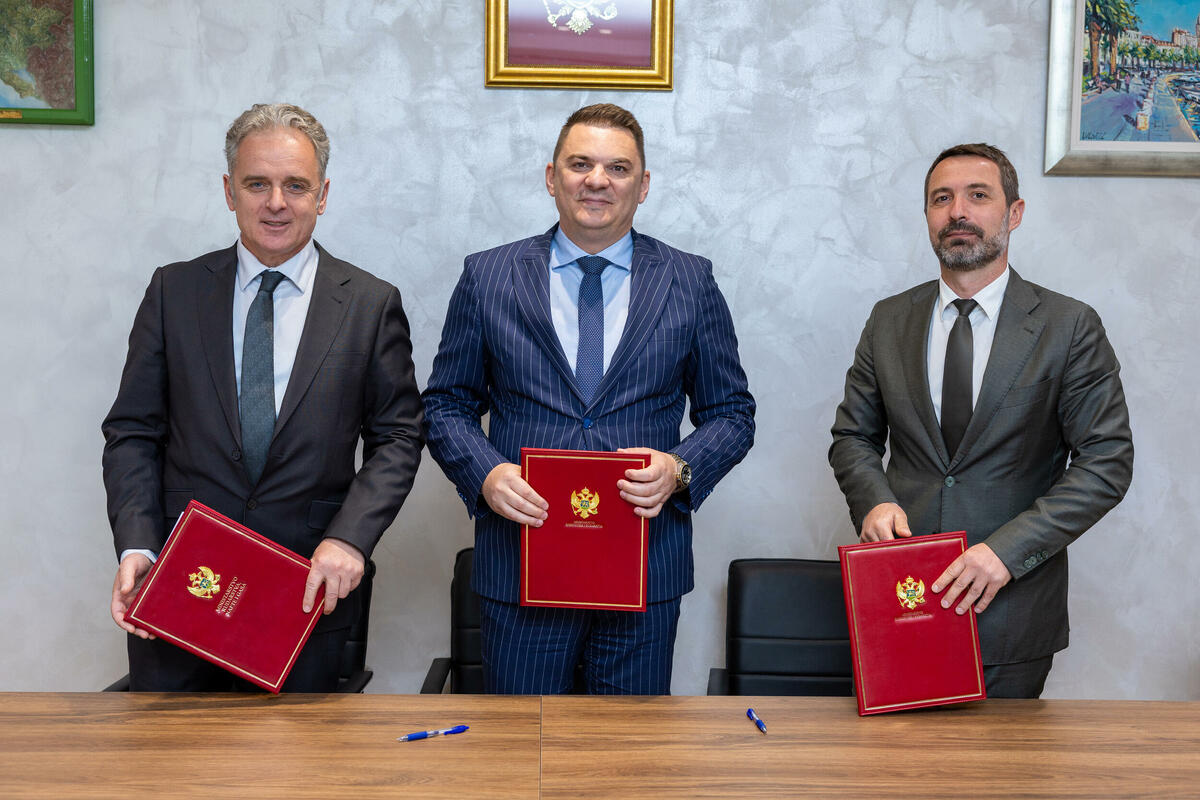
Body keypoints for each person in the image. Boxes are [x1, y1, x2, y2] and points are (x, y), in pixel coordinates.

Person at [422, 103, 755, 695]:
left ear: (642, 186)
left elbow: (731, 414)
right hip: (522, 564)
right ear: (552, 177)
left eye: (618, 168)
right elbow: (446, 403)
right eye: (580, 164)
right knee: (522, 744)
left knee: (627, 749)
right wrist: (485, 473)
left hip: (644, 568)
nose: (597, 180)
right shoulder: (488, 276)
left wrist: (679, 468)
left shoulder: (690, 280)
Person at [103, 103, 424, 691]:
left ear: (322, 195)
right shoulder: (174, 291)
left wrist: (349, 536)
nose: (276, 202)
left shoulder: (370, 304)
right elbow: (132, 432)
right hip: (181, 587)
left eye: (295, 185)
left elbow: (399, 436)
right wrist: (138, 544)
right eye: (257, 184)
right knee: (171, 753)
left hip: (305, 596)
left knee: (297, 754)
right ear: (230, 191)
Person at [828, 143, 1133, 698]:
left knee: (1000, 759)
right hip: (901, 599)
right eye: (941, 199)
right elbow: (853, 437)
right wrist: (873, 501)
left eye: (978, 195)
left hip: (1011, 610)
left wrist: (1006, 553)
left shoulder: (1068, 326)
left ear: (1014, 213)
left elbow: (1106, 463)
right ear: (927, 216)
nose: (958, 212)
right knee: (891, 756)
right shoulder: (888, 320)